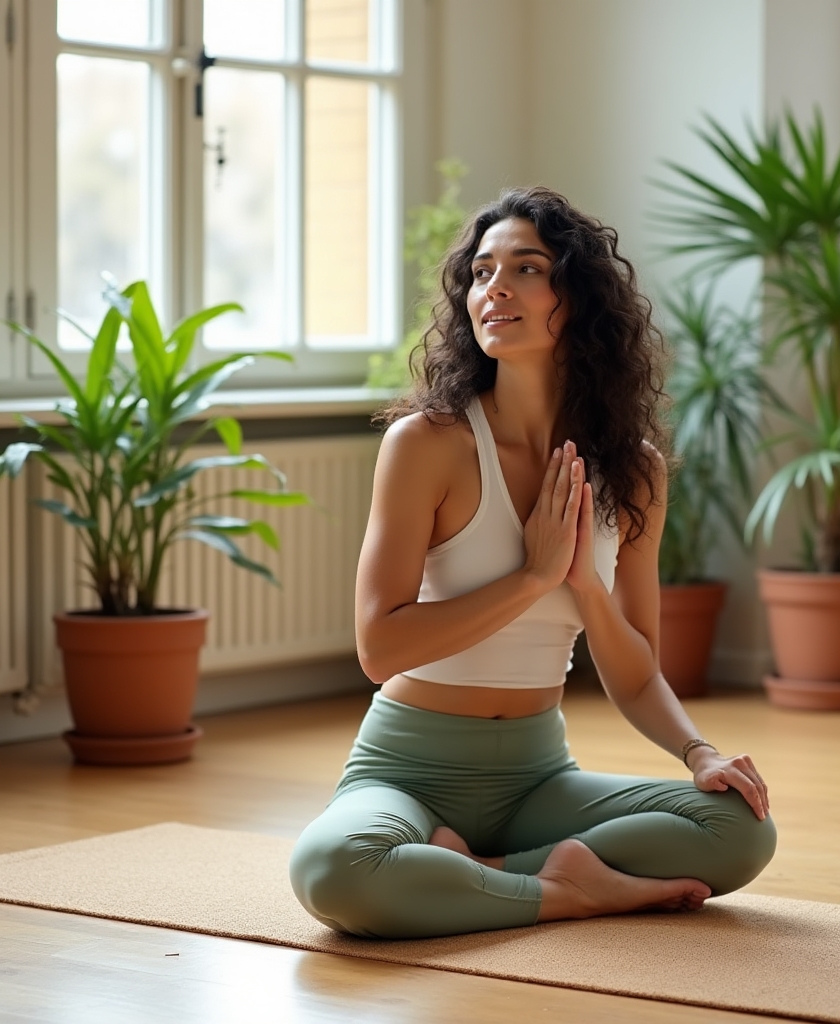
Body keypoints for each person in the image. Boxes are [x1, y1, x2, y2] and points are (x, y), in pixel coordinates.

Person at [289, 186, 776, 940]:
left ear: (576, 296)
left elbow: (638, 669)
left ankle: (472, 874)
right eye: (482, 272)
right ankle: (575, 889)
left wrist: (700, 753)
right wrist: (534, 580)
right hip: (406, 767)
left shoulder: (633, 469)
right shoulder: (427, 444)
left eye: (526, 268)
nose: (496, 289)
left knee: (741, 829)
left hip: (536, 775)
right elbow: (379, 649)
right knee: (333, 870)